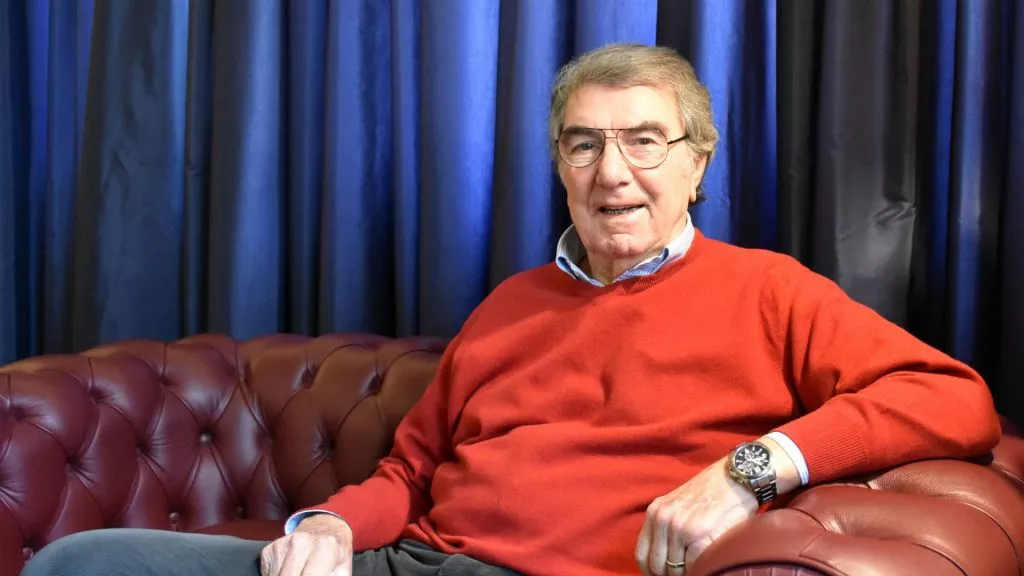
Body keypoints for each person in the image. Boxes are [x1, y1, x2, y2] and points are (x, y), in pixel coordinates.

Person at [23, 43, 1000, 576]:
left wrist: (749, 471)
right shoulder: (511, 305)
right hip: (403, 566)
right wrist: (327, 523)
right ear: (558, 168)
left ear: (697, 166)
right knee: (82, 561)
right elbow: (411, 469)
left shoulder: (768, 289)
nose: (612, 173)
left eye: (644, 141)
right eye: (582, 145)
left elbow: (953, 399)